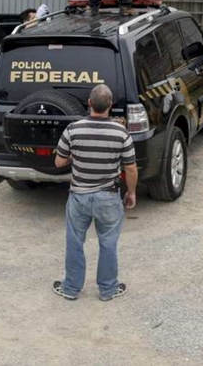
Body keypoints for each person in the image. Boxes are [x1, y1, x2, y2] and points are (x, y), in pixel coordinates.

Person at [52, 84, 138, 301]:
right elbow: (130, 167)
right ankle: (108, 289)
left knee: (75, 242)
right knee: (108, 243)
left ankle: (71, 289)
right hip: (108, 196)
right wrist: (131, 192)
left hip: (78, 196)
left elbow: (59, 161)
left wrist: (76, 155)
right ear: (110, 105)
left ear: (89, 103)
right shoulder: (121, 132)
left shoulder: (73, 129)